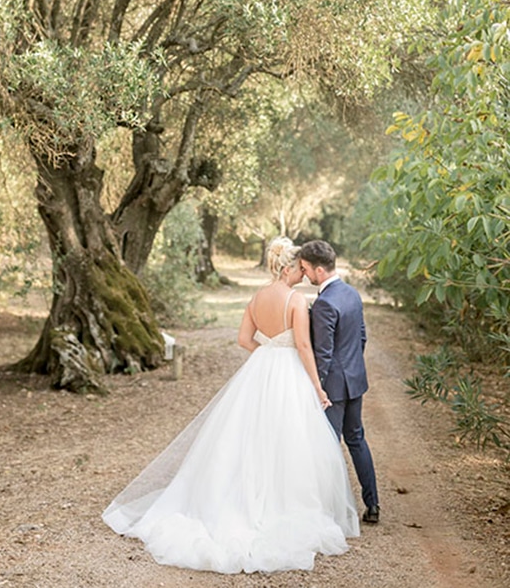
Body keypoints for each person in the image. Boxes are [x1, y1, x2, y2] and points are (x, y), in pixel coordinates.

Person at [102, 236, 359, 573]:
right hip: (289, 374)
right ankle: (280, 506)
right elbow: (305, 347)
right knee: (288, 439)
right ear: (287, 268)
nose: (302, 273)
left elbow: (243, 340)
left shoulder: (256, 298)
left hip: (259, 372)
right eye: (298, 268)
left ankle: (238, 499)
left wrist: (266, 355)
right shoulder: (295, 300)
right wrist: (315, 385)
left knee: (246, 437)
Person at [299, 239, 380, 524]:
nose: (305, 274)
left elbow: (323, 353)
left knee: (328, 445)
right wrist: (352, 369)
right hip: (355, 380)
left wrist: (317, 388)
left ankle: (330, 512)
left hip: (332, 386)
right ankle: (373, 505)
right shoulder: (351, 294)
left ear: (319, 270)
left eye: (306, 269)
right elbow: (361, 337)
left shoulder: (323, 304)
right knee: (357, 439)